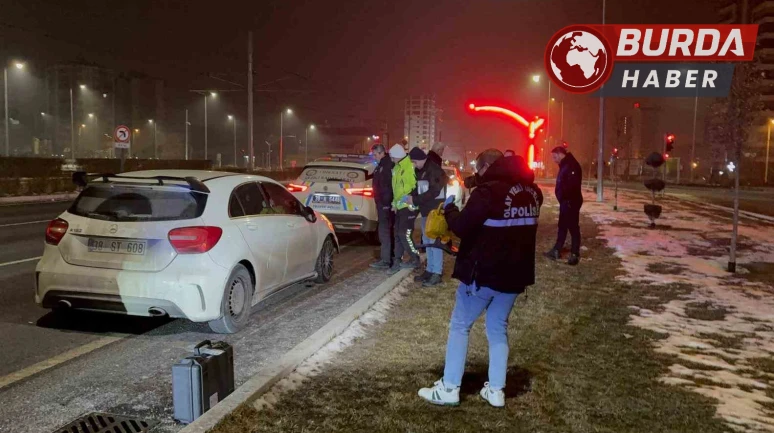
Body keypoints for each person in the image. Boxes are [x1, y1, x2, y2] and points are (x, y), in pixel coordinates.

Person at [418, 149, 543, 408]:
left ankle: (449, 387)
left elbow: (462, 227)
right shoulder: (532, 192)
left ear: (487, 167)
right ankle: (496, 390)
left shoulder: (487, 193)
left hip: (483, 273)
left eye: (478, 168)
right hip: (514, 276)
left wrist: (450, 210)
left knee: (460, 325)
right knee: (498, 329)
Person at [409, 147, 448, 287]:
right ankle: (430, 270)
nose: (414, 165)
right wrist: (412, 197)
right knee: (428, 241)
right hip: (427, 211)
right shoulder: (422, 170)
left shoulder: (434, 170)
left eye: (414, 162)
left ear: (420, 159)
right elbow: (419, 188)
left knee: (434, 242)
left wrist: (415, 200)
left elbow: (434, 191)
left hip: (434, 212)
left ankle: (436, 272)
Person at [544, 146, 583, 266]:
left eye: (554, 157)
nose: (554, 160)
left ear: (560, 154)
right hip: (566, 202)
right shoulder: (566, 165)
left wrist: (566, 199)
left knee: (573, 227)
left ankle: (574, 253)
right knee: (562, 226)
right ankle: (556, 250)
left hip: (570, 202)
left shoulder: (571, 165)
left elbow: (572, 186)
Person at [389, 144, 420, 271]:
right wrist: (394, 204)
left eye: (392, 157)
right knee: (397, 233)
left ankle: (415, 258)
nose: (391, 160)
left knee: (404, 234)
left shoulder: (409, 166)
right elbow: (396, 189)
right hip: (400, 206)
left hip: (409, 206)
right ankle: (397, 259)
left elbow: (413, 187)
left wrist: (409, 198)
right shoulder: (397, 167)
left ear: (397, 156)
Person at [369, 144, 394, 269]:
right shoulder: (382, 165)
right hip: (383, 204)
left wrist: (385, 204)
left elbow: (388, 187)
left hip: (385, 205)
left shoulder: (387, 165)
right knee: (384, 232)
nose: (374, 157)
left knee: (384, 232)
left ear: (381, 153)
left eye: (375, 155)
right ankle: (387, 258)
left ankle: (386, 260)